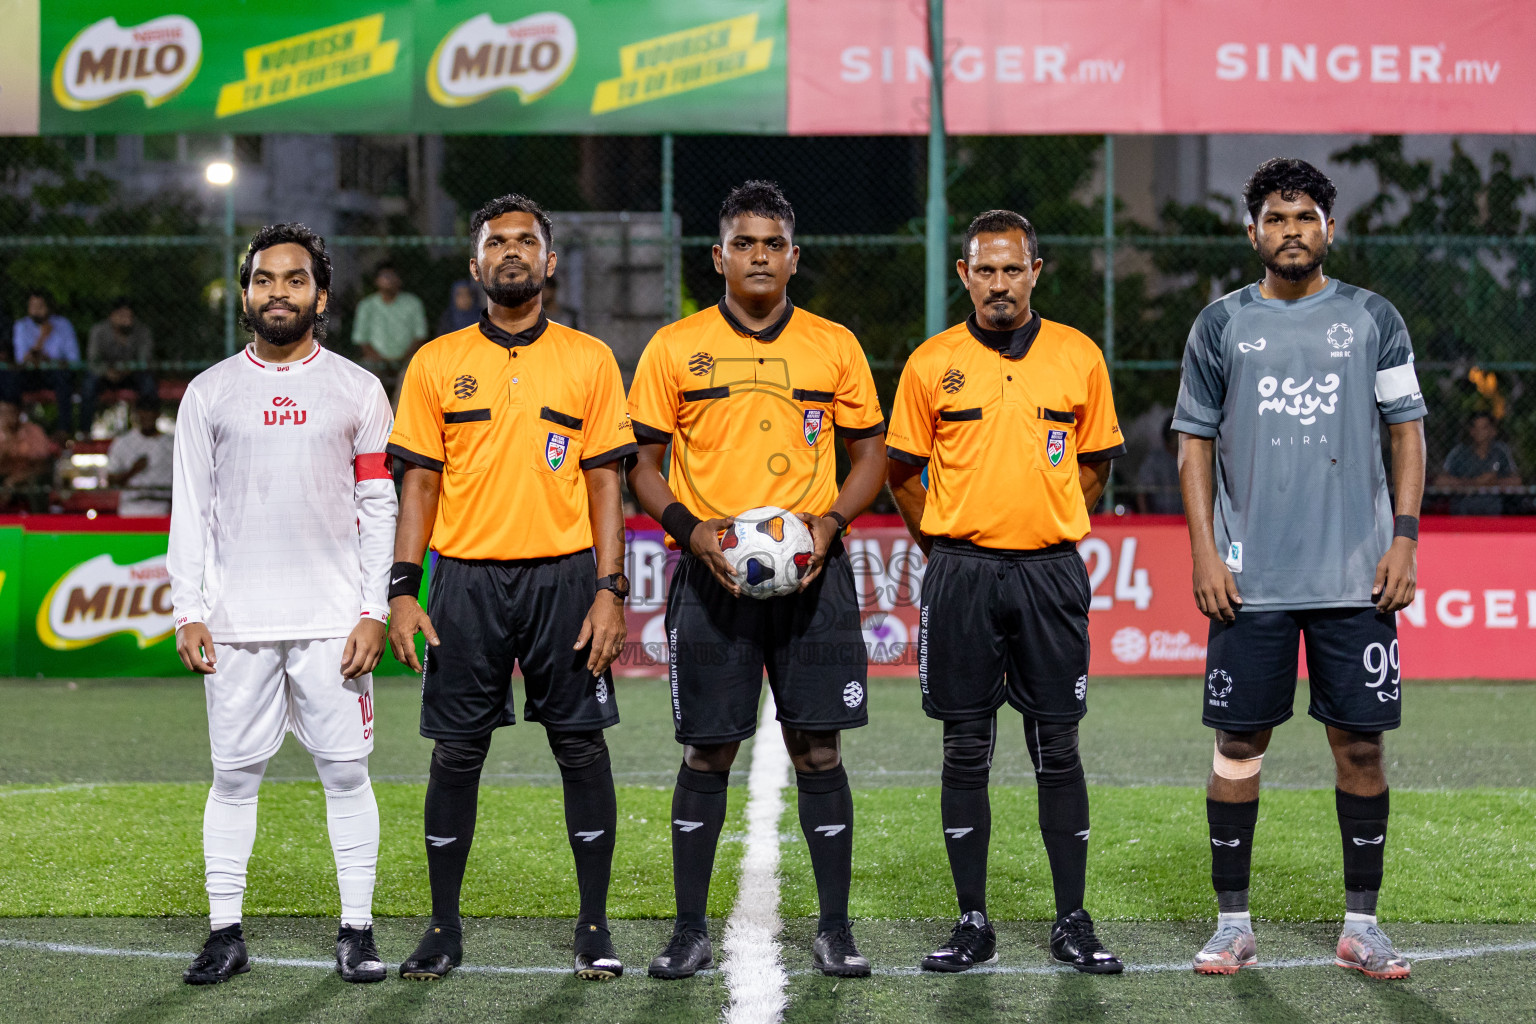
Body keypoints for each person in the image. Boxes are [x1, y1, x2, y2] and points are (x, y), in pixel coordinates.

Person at [1172, 158, 1427, 980]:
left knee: (1361, 750)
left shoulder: (1373, 318)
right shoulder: (1220, 325)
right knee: (1238, 746)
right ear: (1253, 232)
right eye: (1277, 218)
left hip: (1358, 578)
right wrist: (1206, 549)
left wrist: (1406, 537)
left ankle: (1362, 926)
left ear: (1328, 228)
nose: (1292, 230)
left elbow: (1407, 433)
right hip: (1251, 582)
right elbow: (1194, 444)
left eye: (1306, 217)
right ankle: (1233, 924)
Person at [627, 180, 887, 980]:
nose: (760, 256)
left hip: (814, 581)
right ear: (719, 257)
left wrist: (831, 524)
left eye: (774, 243)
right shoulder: (674, 347)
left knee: (818, 751)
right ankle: (688, 931)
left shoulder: (833, 345)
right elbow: (638, 463)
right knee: (708, 753)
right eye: (745, 243)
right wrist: (691, 531)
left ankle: (836, 930)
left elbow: (871, 452)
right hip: (712, 579)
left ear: (794, 257)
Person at [386, 193, 635, 982]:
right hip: (463, 581)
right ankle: (441, 928)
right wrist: (402, 588)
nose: (513, 252)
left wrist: (610, 589)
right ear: (475, 265)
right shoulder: (434, 362)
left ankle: (593, 927)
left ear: (551, 262)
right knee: (456, 755)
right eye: (498, 242)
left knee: (579, 747)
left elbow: (605, 487)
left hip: (565, 580)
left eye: (528, 241)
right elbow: (418, 488)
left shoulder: (590, 360)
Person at [886, 209, 1127, 975]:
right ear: (964, 274)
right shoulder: (931, 363)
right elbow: (900, 474)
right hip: (961, 573)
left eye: (1012, 269)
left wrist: (1046, 518)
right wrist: (948, 543)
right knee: (966, 747)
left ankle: (1072, 921)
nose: (999, 283)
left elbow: (1095, 464)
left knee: (1057, 745)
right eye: (984, 270)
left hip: (1051, 574)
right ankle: (972, 922)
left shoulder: (1078, 356)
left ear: (1035, 272)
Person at [168, 224, 397, 986]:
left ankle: (357, 933)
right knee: (233, 779)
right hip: (235, 626)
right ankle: (225, 933)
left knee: (345, 775)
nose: (278, 293)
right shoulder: (209, 392)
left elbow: (378, 508)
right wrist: (187, 609)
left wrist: (374, 610)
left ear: (320, 297)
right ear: (245, 294)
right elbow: (189, 510)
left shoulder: (359, 389)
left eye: (294, 281)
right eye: (264, 280)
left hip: (334, 625)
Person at [8, 290, 81, 437]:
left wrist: (48, 360)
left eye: (40, 306)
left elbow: (74, 360)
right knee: (11, 378)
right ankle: (12, 428)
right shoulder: (22, 326)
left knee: (63, 378)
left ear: (49, 307)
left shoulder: (63, 325)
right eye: (32, 306)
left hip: (56, 374)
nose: (35, 310)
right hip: (31, 374)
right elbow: (22, 360)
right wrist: (42, 339)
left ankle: (64, 431)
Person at [85, 299, 158, 428]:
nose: (127, 320)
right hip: (106, 375)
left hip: (131, 374)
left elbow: (144, 360)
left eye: (130, 316)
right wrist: (107, 372)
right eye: (122, 316)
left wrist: (127, 369)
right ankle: (84, 430)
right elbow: (93, 360)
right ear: (112, 316)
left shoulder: (142, 331)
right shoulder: (99, 331)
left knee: (148, 383)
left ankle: (147, 427)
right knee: (89, 384)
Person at [1435, 412, 1519, 515]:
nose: (1480, 432)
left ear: (1493, 431)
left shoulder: (1500, 451)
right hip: (1463, 508)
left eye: (1484, 427)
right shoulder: (1459, 452)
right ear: (1471, 431)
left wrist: (1494, 481)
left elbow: (1516, 481)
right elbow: (1440, 482)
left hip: (1493, 509)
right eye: (1476, 427)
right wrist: (1473, 483)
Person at [107, 396, 175, 517]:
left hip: (163, 507)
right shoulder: (123, 442)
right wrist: (132, 471)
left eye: (150, 411)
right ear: (136, 414)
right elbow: (111, 480)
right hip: (130, 508)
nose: (146, 416)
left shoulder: (172, 443)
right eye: (142, 412)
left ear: (157, 414)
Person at [352, 262, 429, 367]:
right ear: (376, 281)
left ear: (399, 280)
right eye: (385, 277)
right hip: (375, 360)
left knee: (410, 374)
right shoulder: (366, 306)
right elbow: (362, 340)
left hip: (407, 359)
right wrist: (379, 360)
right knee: (367, 373)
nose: (389, 280)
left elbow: (420, 336)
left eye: (392, 276)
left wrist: (403, 359)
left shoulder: (413, 303)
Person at [0, 399, 58, 511]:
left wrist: (13, 481)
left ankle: (40, 518)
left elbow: (41, 462)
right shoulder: (4, 438)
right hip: (6, 474)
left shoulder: (32, 432)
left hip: (33, 474)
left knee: (36, 486)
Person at [1136, 417, 1184, 514]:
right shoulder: (1155, 459)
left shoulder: (1188, 458)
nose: (1176, 440)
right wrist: (1145, 519)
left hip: (1182, 517)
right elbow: (1142, 492)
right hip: (1159, 517)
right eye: (1173, 436)